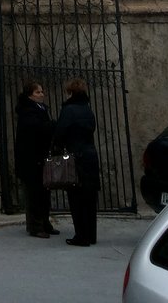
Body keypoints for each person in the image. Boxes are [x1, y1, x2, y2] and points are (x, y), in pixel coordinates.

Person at [52, 76, 99, 247]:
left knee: (77, 198)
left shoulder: (69, 110)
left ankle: (81, 236)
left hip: (76, 157)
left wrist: (57, 147)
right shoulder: (88, 110)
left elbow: (60, 132)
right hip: (90, 155)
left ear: (70, 92)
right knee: (90, 198)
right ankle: (91, 234)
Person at [14, 80, 58, 238]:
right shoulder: (27, 111)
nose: (41, 94)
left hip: (42, 156)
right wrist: (51, 125)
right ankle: (35, 226)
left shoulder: (42, 109)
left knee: (44, 192)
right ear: (30, 95)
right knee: (33, 194)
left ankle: (45, 222)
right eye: (38, 92)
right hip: (31, 159)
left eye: (42, 91)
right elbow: (35, 130)